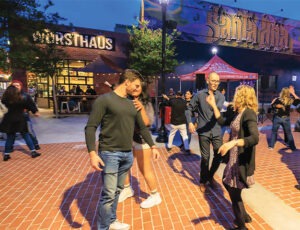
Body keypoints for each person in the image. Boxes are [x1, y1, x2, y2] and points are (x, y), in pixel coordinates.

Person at [85, 69, 160, 230]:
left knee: (117, 191)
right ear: (127, 81)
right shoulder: (104, 100)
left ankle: (111, 221)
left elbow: (143, 128)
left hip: (127, 155)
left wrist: (153, 145)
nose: (137, 89)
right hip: (109, 153)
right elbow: (91, 127)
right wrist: (92, 153)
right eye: (136, 85)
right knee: (109, 194)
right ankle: (103, 227)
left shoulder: (132, 103)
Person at [206, 85, 259, 230]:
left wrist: (233, 142)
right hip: (233, 158)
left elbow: (254, 138)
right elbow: (222, 121)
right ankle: (244, 216)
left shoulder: (248, 113)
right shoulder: (237, 112)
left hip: (240, 159)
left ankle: (241, 226)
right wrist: (213, 105)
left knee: (233, 191)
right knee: (230, 185)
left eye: (236, 94)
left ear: (241, 96)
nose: (234, 96)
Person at [118, 82, 161, 208]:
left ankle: (155, 195)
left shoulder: (145, 103)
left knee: (145, 169)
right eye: (133, 85)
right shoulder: (124, 100)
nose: (135, 88)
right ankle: (127, 189)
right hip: (126, 138)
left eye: (138, 86)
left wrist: (141, 108)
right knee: (123, 166)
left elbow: (148, 122)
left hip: (141, 139)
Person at [186, 72, 225, 192]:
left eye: (217, 81)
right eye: (213, 80)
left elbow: (217, 112)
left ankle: (210, 176)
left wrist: (212, 103)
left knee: (219, 156)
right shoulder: (199, 95)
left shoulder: (221, 96)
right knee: (205, 158)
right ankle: (203, 180)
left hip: (217, 130)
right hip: (203, 131)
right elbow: (189, 108)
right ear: (208, 81)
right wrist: (190, 122)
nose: (215, 83)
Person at [0, 85, 41, 161]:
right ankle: (33, 152)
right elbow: (29, 106)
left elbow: (3, 105)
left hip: (9, 120)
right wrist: (35, 112)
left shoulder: (5, 100)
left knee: (10, 137)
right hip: (20, 119)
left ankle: (6, 154)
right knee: (26, 135)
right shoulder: (21, 99)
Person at [12, 80, 41, 150]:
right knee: (11, 132)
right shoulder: (9, 95)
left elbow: (31, 104)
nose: (16, 87)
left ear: (20, 86)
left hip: (24, 116)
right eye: (14, 85)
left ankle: (35, 143)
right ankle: (10, 146)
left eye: (17, 85)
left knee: (30, 131)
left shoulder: (25, 95)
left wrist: (35, 111)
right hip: (12, 116)